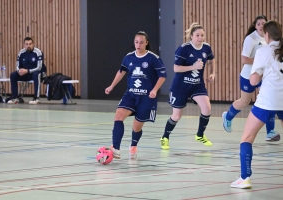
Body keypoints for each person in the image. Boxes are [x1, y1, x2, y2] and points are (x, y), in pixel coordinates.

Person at [230, 20, 283, 189]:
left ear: (267, 34)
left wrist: (259, 74)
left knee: (247, 138)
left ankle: (244, 178)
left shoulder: (264, 51)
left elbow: (253, 81)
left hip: (266, 101)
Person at [105, 31, 166, 159]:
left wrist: (154, 90)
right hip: (131, 95)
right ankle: (115, 148)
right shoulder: (129, 57)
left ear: (146, 43)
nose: (138, 45)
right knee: (118, 116)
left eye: (141, 42)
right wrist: (111, 86)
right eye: (136, 42)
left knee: (136, 127)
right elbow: (121, 72)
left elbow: (162, 76)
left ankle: (133, 145)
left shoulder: (153, 58)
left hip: (146, 98)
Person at [222, 15, 280, 142]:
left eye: (263, 23)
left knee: (268, 100)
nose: (261, 26)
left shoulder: (269, 40)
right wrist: (261, 61)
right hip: (249, 75)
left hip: (263, 76)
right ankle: (228, 116)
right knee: (244, 102)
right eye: (258, 24)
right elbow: (244, 59)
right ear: (255, 26)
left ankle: (270, 131)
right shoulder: (251, 39)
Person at [160, 22, 216, 150]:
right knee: (176, 116)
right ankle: (165, 137)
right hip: (181, 86)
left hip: (197, 85)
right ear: (191, 36)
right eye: (197, 35)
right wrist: (193, 67)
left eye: (202, 35)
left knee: (207, 109)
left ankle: (200, 135)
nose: (200, 38)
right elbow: (176, 68)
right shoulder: (183, 48)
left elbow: (212, 59)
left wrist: (213, 73)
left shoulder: (206, 48)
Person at [7, 37, 46, 104]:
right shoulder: (21, 52)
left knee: (36, 74)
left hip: (35, 73)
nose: (28, 46)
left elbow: (39, 67)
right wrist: (19, 71)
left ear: (33, 44)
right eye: (26, 44)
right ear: (24, 45)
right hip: (25, 74)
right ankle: (15, 97)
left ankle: (36, 98)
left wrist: (27, 71)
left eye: (30, 44)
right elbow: (17, 65)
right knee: (13, 75)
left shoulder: (38, 52)